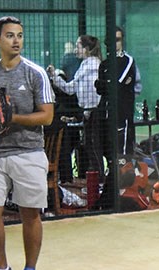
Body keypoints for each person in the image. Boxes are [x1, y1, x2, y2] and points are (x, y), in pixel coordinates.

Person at [0, 16, 55, 270]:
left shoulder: (35, 73)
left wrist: (13, 118)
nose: (16, 40)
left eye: (19, 35)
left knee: (30, 214)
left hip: (29, 153)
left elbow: (47, 116)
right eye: (9, 36)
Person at [48, 35, 104, 179]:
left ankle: (100, 182)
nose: (75, 49)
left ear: (86, 49)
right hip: (88, 112)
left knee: (93, 147)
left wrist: (90, 110)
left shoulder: (93, 66)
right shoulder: (85, 65)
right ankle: (98, 182)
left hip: (94, 112)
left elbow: (93, 93)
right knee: (90, 147)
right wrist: (54, 76)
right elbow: (70, 88)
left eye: (78, 46)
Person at [95, 26, 138, 157]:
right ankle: (110, 174)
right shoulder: (104, 64)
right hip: (106, 112)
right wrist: (104, 84)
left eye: (118, 39)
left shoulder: (128, 61)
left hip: (122, 113)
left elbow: (117, 85)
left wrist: (103, 84)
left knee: (122, 151)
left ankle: (125, 175)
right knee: (107, 149)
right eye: (113, 40)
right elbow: (99, 89)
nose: (116, 43)